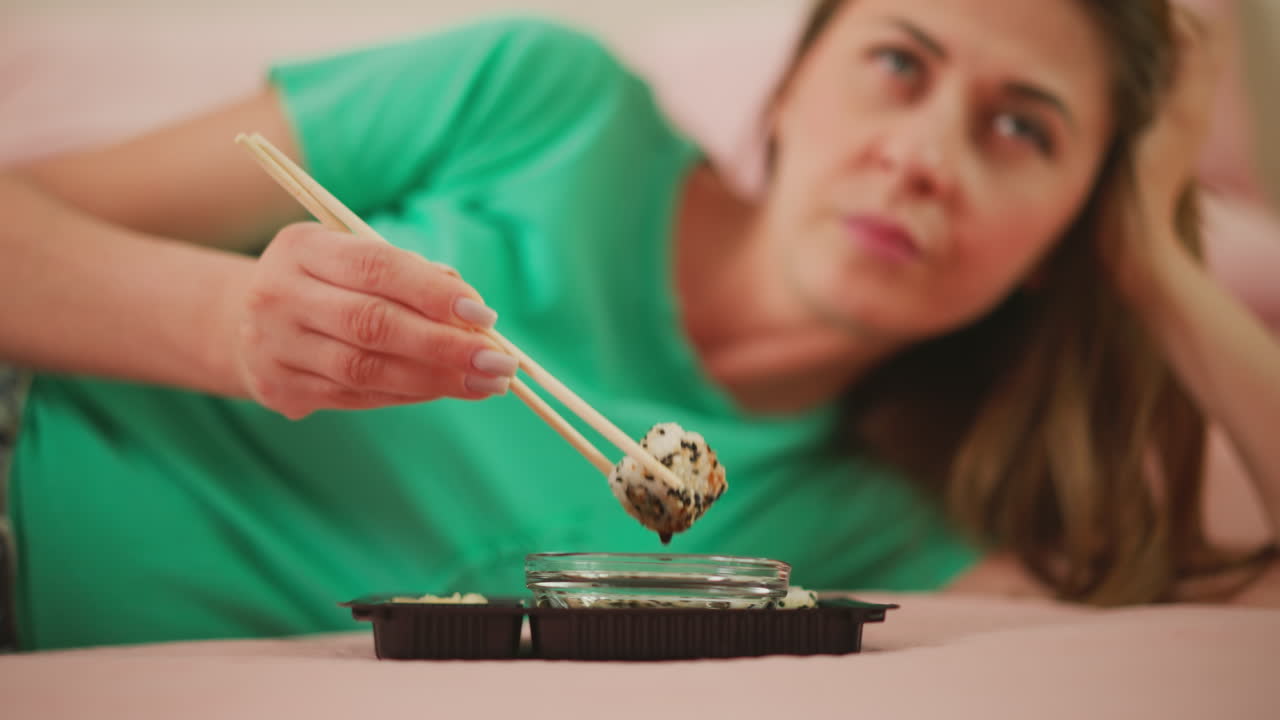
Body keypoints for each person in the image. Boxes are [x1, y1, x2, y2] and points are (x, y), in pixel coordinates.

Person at [2, 0, 1277, 652]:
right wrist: (230, 323)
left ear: (1068, 232)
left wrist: (1153, 259)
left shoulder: (907, 525)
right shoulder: (539, 100)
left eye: (1022, 128)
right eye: (899, 61)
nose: (921, 157)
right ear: (792, 86)